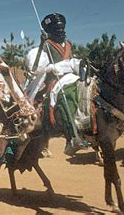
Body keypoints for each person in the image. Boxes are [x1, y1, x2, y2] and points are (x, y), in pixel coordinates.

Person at [24, 13, 86, 156]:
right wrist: (41, 45)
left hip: (71, 76)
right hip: (54, 79)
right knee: (65, 97)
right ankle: (71, 137)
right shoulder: (46, 45)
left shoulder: (68, 44)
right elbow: (37, 65)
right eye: (57, 29)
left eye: (62, 28)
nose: (60, 31)